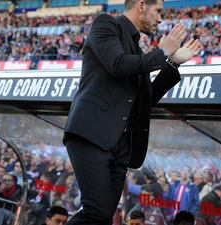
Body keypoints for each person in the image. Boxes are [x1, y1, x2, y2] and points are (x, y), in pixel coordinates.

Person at [63, 0, 200, 224]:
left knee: (104, 216)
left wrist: (172, 64)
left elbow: (144, 101)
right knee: (96, 212)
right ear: (141, 5)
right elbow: (117, 64)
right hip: (92, 133)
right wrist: (163, 52)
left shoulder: (138, 52)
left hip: (121, 145)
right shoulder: (106, 25)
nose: (160, 19)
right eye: (158, 11)